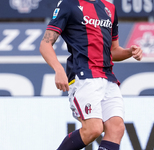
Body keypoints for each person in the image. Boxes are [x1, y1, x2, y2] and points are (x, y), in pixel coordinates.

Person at [39, 0, 142, 149]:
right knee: (93, 129)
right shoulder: (69, 4)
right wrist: (58, 69)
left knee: (116, 128)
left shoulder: (109, 8)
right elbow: (45, 44)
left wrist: (129, 52)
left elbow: (113, 51)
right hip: (84, 77)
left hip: (108, 78)